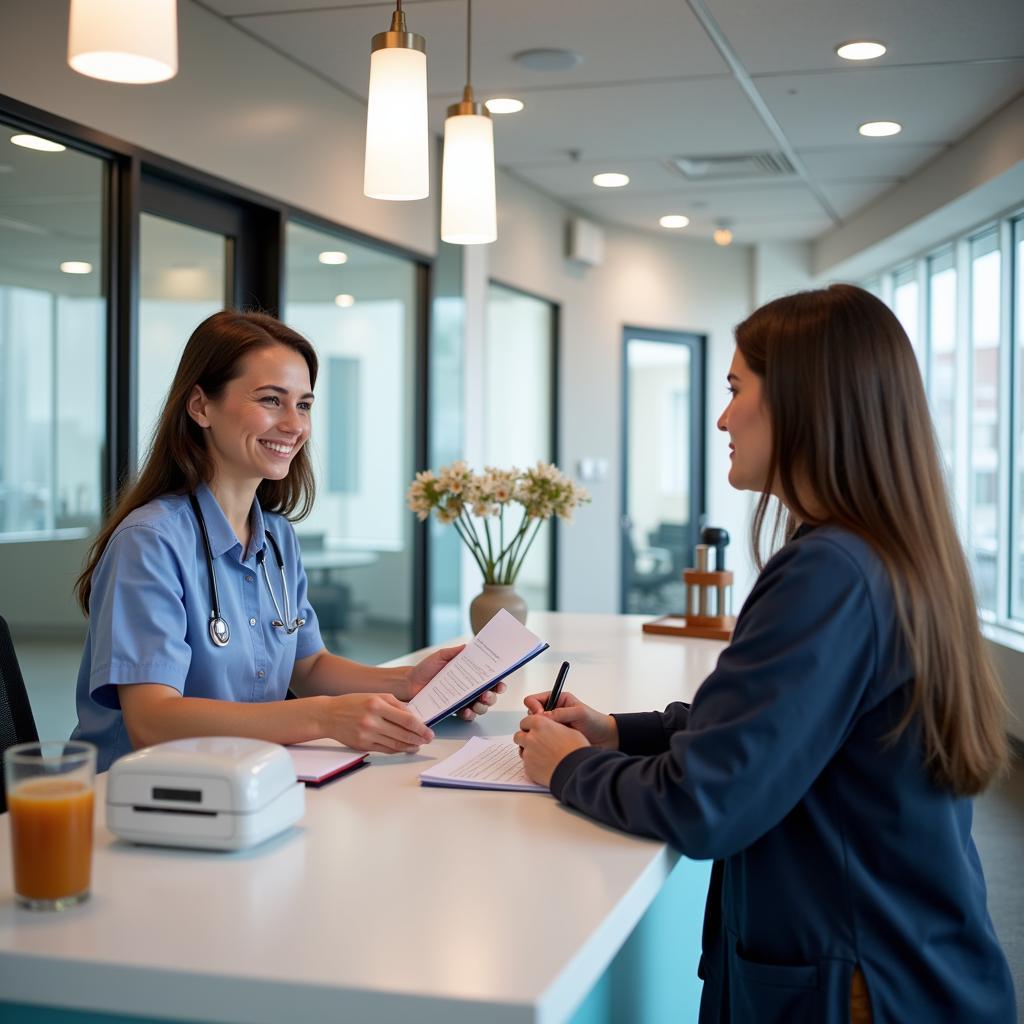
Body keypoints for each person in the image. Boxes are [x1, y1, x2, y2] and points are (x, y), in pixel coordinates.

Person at [515, 285, 1016, 1024]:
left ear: (807, 402)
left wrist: (567, 766)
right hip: (898, 960)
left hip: (858, 986)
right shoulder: (883, 553)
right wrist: (618, 732)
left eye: (735, 390)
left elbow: (703, 803)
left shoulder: (830, 571)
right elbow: (782, 727)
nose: (722, 418)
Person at [72, 310, 502, 772]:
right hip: (139, 797)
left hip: (249, 778)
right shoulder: (150, 542)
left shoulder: (276, 536)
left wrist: (410, 681)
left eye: (303, 405)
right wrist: (324, 716)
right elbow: (153, 721)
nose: (294, 425)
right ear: (200, 406)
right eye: (271, 400)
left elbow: (309, 666)